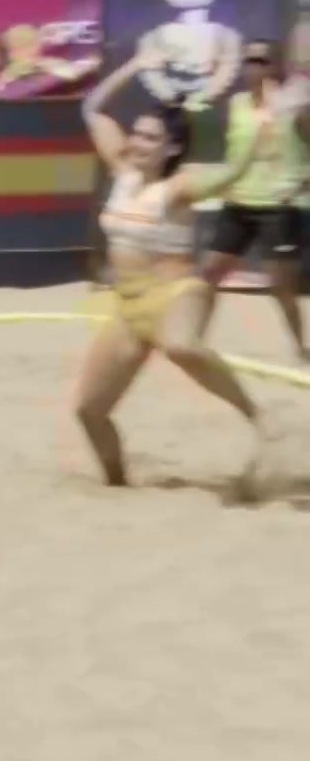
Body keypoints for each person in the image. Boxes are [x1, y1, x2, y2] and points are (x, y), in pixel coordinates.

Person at [76, 54, 274, 490]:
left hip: (177, 292)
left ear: (171, 148)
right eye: (137, 133)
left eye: (150, 137)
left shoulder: (179, 186)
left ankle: (260, 416)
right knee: (89, 411)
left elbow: (231, 174)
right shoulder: (122, 171)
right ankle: (117, 485)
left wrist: (257, 138)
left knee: (182, 346)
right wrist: (136, 65)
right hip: (129, 307)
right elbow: (92, 109)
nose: (137, 142)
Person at [200, 41, 310, 363]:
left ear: (276, 66)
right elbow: (233, 152)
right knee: (208, 274)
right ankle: (192, 339)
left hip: (279, 206)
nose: (254, 66)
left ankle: (300, 348)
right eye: (249, 60)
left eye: (261, 60)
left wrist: (303, 180)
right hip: (238, 203)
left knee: (281, 287)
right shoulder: (236, 104)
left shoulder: (297, 107)